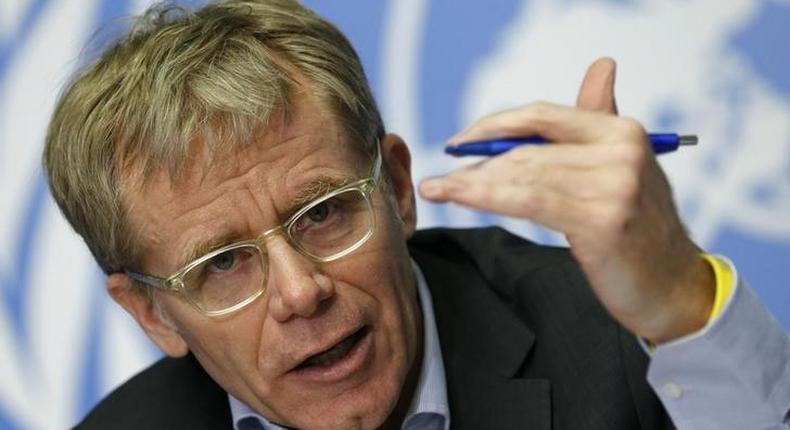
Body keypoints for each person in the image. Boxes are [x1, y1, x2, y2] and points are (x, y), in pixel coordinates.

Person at [43, 1, 789, 429]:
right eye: (222, 264)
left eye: (324, 212)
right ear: (153, 314)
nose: (301, 292)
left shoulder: (617, 343)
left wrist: (679, 305)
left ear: (397, 187)